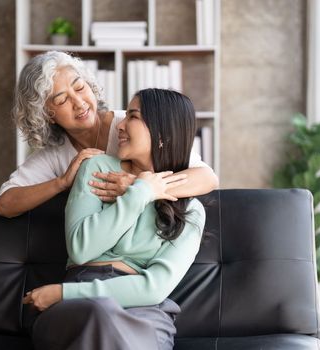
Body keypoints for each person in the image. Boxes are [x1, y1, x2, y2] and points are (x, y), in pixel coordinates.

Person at [23, 88, 206, 350]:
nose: (120, 125)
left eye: (132, 116)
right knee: (100, 316)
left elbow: (154, 287)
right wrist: (139, 195)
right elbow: (82, 249)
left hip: (143, 310)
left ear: (162, 132)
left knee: (112, 323)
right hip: (82, 302)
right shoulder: (97, 168)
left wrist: (62, 293)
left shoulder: (192, 210)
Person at [0, 51, 218, 218]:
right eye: (62, 100)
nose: (79, 103)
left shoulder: (130, 124)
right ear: (46, 114)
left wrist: (139, 188)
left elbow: (207, 178)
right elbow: (4, 205)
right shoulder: (55, 153)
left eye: (80, 88)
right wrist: (61, 182)